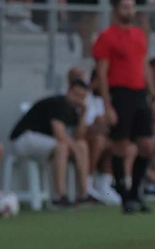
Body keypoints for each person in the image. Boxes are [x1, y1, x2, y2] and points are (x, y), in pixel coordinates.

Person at [91, 0, 154, 213]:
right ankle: (125, 195)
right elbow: (101, 73)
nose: (129, 10)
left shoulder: (139, 35)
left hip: (139, 93)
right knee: (120, 145)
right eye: (124, 6)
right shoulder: (107, 37)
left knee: (146, 145)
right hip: (120, 93)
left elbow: (144, 66)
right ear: (116, 9)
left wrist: (153, 96)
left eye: (131, 6)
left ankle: (136, 191)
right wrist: (107, 105)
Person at [10, 79, 95, 209]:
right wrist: (76, 150)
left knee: (82, 145)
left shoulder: (73, 110)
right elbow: (60, 135)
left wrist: (83, 113)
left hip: (44, 142)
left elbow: (79, 137)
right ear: (68, 91)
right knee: (62, 148)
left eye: (82, 97)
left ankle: (84, 194)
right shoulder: (57, 104)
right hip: (24, 139)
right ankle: (59, 196)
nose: (78, 100)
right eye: (76, 95)